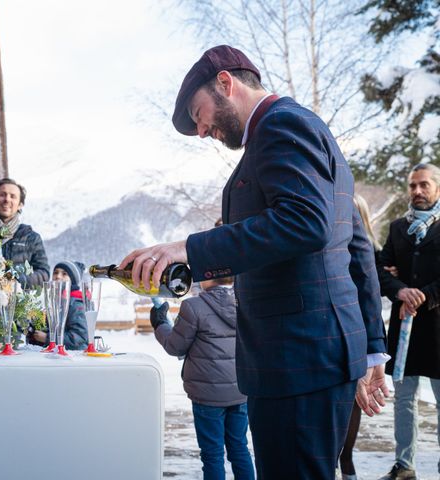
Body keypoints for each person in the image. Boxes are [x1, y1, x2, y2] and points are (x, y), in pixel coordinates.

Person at [119, 45, 389, 479]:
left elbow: (306, 223)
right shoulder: (303, 130)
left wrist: (189, 247)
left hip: (298, 358)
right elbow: (354, 247)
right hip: (318, 355)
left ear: (226, 83)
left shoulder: (281, 126)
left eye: (198, 112)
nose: (202, 130)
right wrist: (372, 345)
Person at [150, 277, 254, 480]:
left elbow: (175, 346)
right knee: (240, 448)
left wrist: (160, 323)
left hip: (208, 396)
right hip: (240, 391)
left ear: (207, 278)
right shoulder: (245, 300)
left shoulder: (193, 306)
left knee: (212, 455)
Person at [376, 163, 440, 480]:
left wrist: (422, 296)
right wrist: (401, 291)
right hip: (406, 331)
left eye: (424, 185)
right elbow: (380, 270)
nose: (417, 191)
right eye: (413, 185)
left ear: (437, 188)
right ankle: (405, 465)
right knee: (404, 401)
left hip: (438, 329)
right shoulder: (398, 228)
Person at [338, 194, 383, 480]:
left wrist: (372, 351)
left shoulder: (369, 253)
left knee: (355, 401)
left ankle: (347, 465)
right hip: (343, 332)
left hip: (356, 333)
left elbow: (371, 296)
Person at [0, 178, 50, 288]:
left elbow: (44, 273)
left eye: (13, 196)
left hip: (19, 301)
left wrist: (18, 281)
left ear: (20, 204)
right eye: (2, 195)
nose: (7, 199)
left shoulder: (31, 238)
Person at [29, 261, 88, 350]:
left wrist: (47, 338)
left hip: (74, 357)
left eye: (64, 274)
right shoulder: (51, 301)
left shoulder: (76, 303)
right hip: (54, 355)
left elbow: (79, 338)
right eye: (55, 272)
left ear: (73, 280)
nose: (58, 276)